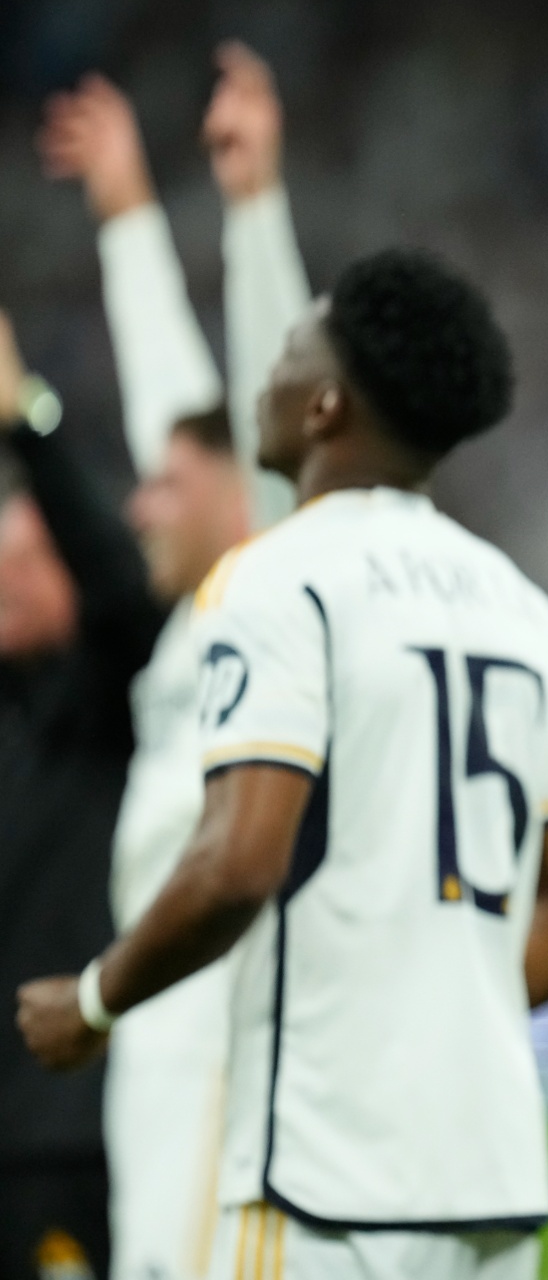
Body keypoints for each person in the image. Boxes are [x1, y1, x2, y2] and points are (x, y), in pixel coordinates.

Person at [17, 249, 548, 1280]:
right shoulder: (523, 608)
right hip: (488, 1180)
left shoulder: (276, 581)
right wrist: (435, 1015)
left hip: (325, 1182)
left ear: (327, 405)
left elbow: (237, 863)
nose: (266, 371)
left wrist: (93, 1002)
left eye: (291, 349)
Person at [39, 44, 309, 1280]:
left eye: (164, 482)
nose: (140, 502)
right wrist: (126, 209)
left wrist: (252, 209)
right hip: (155, 1039)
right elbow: (174, 408)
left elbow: (263, 397)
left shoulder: (269, 592)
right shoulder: (195, 622)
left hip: (222, 1036)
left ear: (244, 494)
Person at [0, 313, 164, 1280]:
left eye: (26, 566)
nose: (2, 584)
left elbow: (117, 590)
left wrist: (27, 420)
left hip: (67, 1134)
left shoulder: (112, 704)